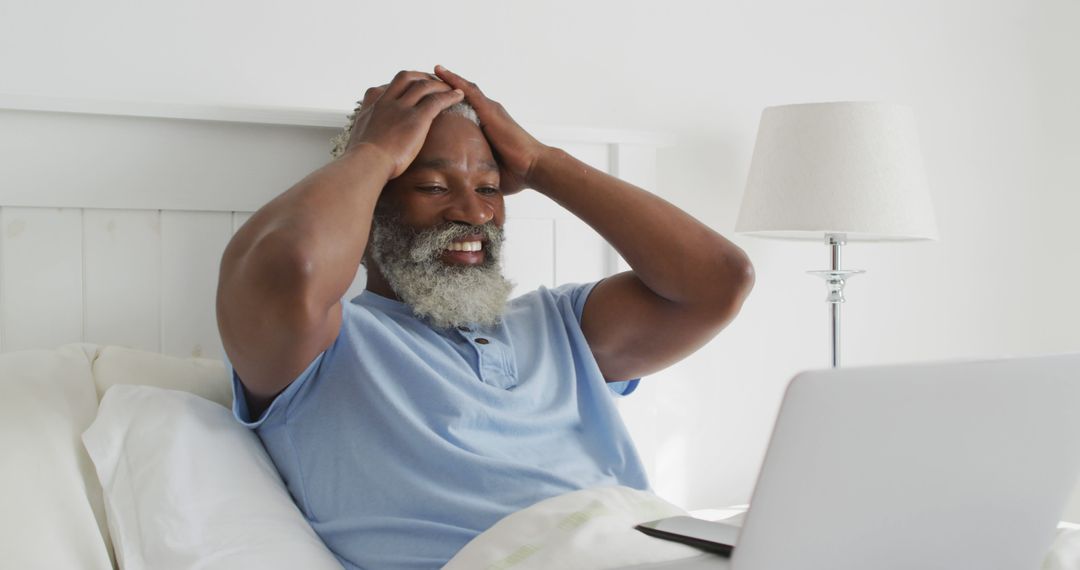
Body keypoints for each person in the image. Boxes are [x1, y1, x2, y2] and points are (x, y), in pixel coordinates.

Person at [216, 65, 754, 570]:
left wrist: (542, 163)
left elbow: (721, 281)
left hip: (641, 547)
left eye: (490, 188)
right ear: (367, 207)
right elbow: (292, 263)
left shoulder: (561, 323)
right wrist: (375, 151)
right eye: (432, 186)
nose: (474, 214)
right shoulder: (321, 347)